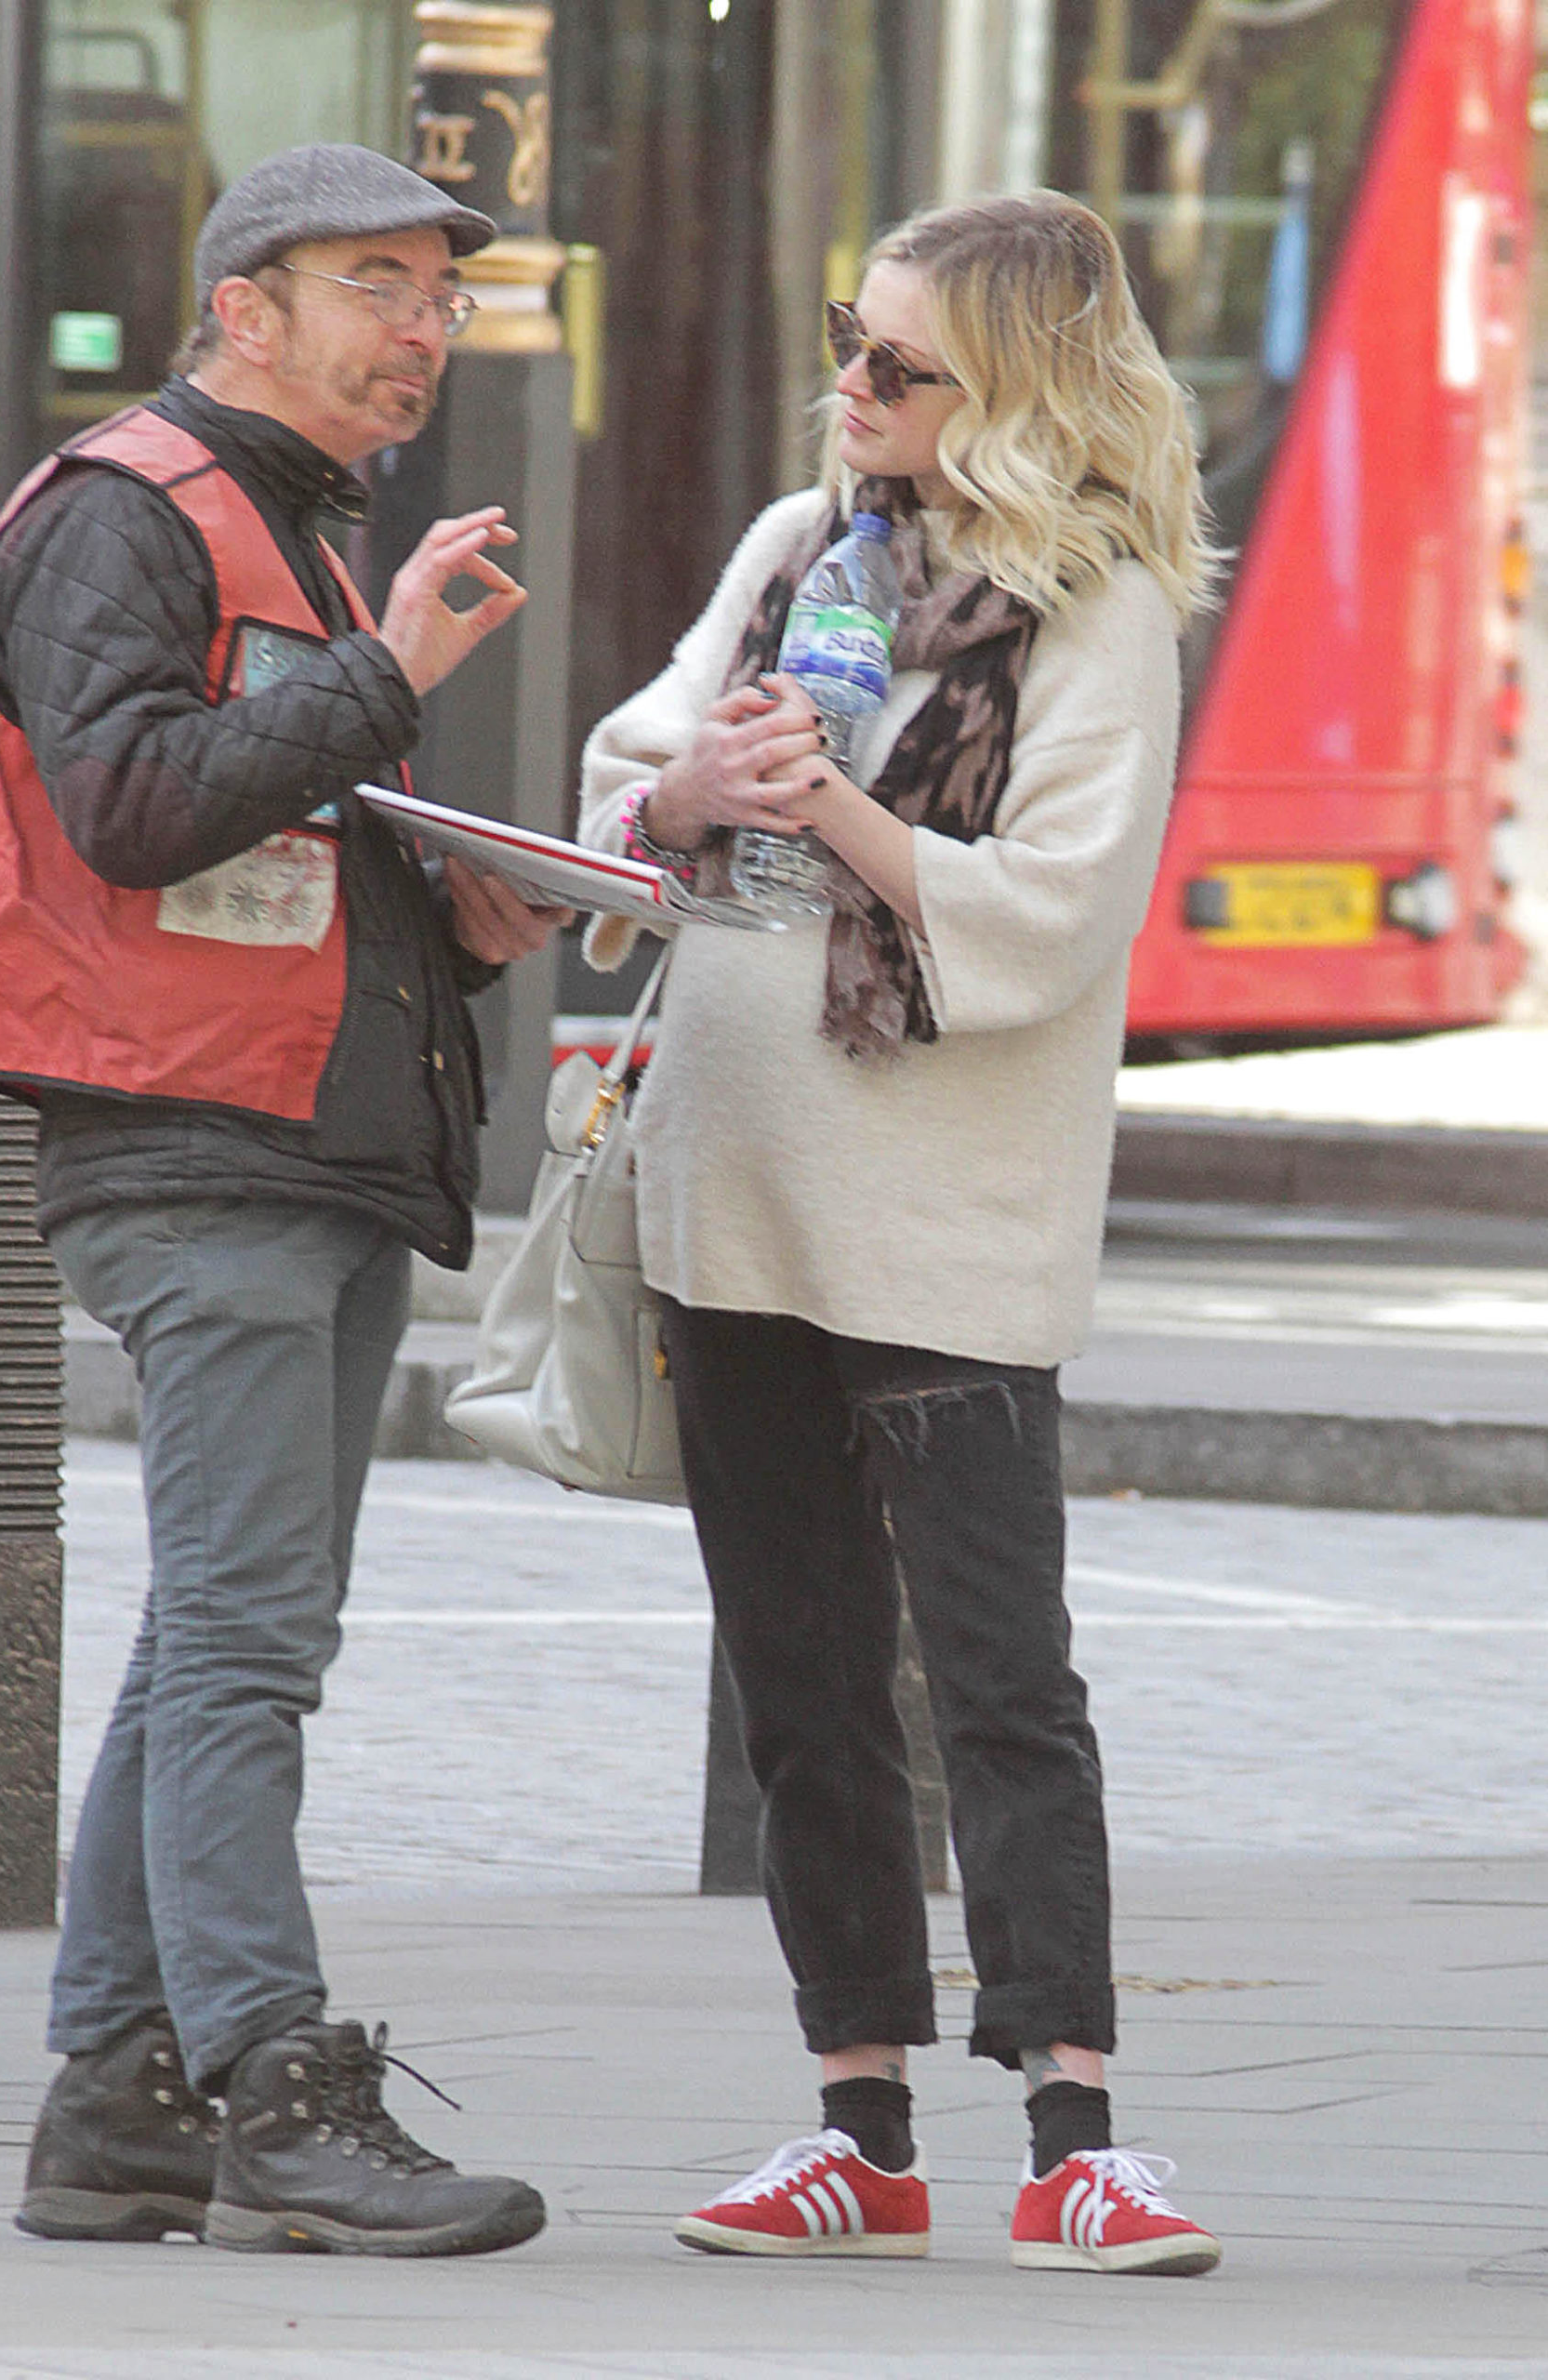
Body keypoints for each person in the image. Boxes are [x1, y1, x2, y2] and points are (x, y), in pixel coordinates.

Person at [0, 143, 566, 2258]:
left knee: (214, 1633)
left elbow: (253, 840)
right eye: (379, 286)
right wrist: (395, 677)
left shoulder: (287, 528)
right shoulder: (125, 508)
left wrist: (452, 904)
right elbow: (136, 800)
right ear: (245, 306)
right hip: (198, 1148)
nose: (422, 333)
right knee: (253, 1637)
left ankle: (119, 2101)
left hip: (300, 1140)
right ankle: (278, 2083)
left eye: (442, 296)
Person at [576, 192, 1225, 2273]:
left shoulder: (1096, 601)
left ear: (1019, 392)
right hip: (736, 1183)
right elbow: (631, 766)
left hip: (949, 1206)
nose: (847, 391)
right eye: (848, 346)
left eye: (897, 366)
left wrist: (828, 808)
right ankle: (856, 2116)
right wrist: (690, 799)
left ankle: (1077, 2123)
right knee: (801, 1671)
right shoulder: (795, 545)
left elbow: (1056, 913)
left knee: (1000, 1671)